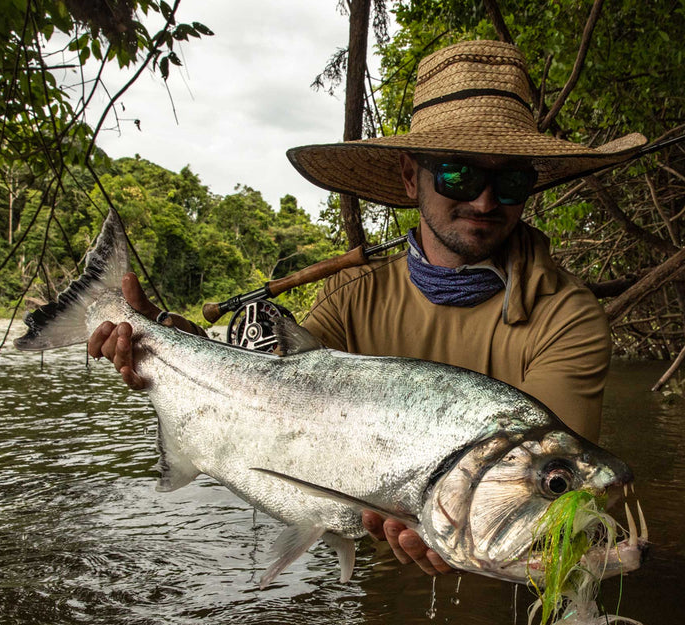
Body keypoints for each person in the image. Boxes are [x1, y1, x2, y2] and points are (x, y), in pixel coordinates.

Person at [88, 39, 645, 576]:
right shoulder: (350, 295)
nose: (484, 200)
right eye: (459, 173)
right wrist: (161, 340)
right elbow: (267, 390)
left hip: (509, 594)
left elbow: (553, 495)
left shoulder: (568, 316)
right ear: (409, 176)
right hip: (380, 597)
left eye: (511, 180)